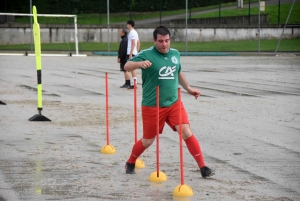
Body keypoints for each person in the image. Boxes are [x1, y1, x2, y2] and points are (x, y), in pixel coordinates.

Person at [124, 26, 215, 178]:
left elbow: (178, 72)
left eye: (167, 41)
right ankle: (130, 162)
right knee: (147, 141)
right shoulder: (146, 54)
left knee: (186, 132)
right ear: (154, 41)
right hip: (152, 105)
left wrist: (189, 88)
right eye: (160, 41)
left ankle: (203, 167)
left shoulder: (175, 54)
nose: (164, 44)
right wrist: (140, 64)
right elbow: (127, 66)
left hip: (173, 103)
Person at [126, 20, 140, 89]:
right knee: (132, 68)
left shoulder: (132, 33)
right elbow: (138, 43)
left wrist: (131, 53)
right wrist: (137, 51)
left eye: (127, 24)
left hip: (131, 52)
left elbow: (134, 43)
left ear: (130, 25)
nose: (127, 26)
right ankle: (134, 83)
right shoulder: (135, 32)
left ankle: (135, 84)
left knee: (133, 68)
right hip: (134, 52)